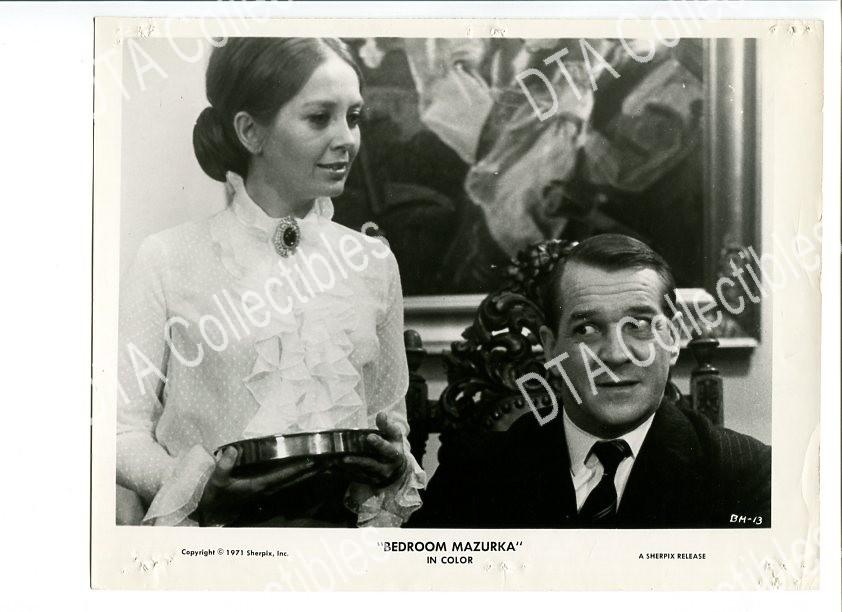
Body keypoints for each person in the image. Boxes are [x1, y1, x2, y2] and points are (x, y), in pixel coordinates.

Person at [116, 37, 425, 527]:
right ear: (250, 132)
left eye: (353, 117)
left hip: (338, 549)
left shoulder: (373, 261)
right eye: (319, 118)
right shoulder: (167, 258)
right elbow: (119, 432)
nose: (347, 138)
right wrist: (195, 488)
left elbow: (391, 419)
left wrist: (392, 463)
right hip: (215, 549)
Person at [409, 234, 770, 528]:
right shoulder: (472, 474)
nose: (614, 355)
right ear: (551, 347)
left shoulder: (747, 475)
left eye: (639, 325)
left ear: (672, 339)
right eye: (586, 329)